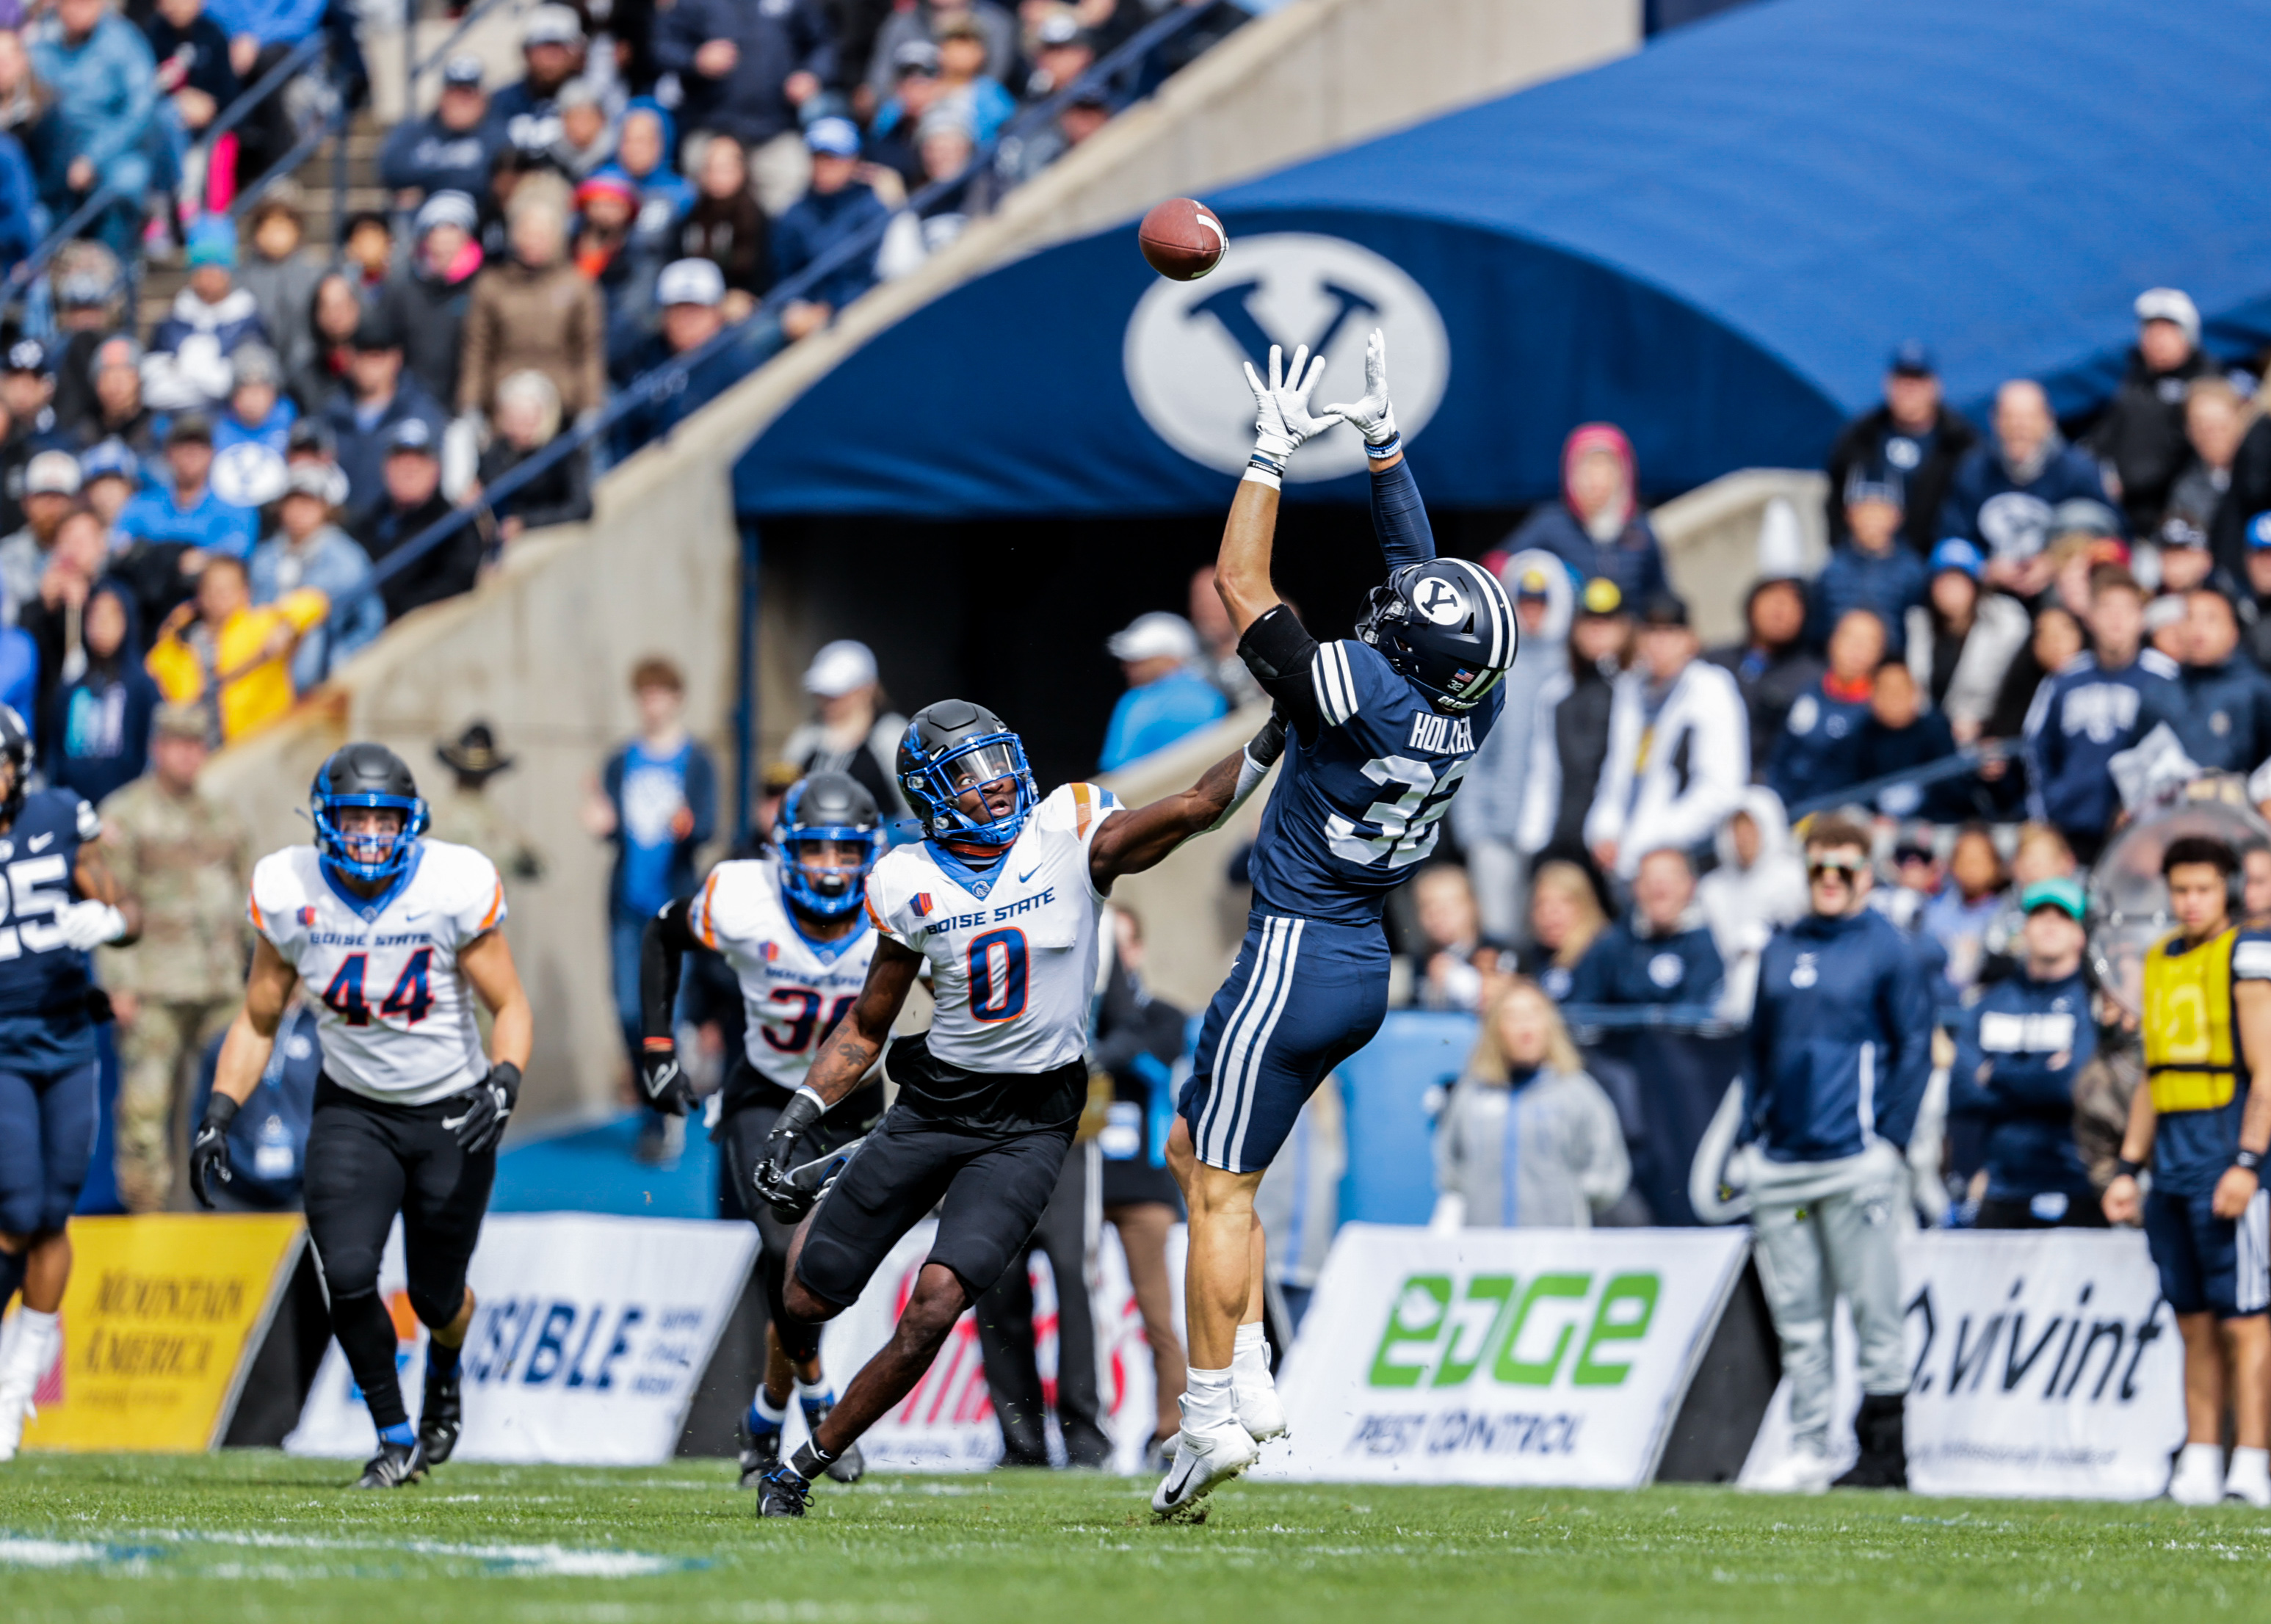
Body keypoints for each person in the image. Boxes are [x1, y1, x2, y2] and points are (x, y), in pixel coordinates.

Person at [743, 692, 1276, 1517]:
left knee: (936, 1303)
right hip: (933, 1106)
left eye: (999, 762)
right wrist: (797, 1117)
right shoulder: (906, 878)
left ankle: (802, 1466)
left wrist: (1273, 733)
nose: (995, 784)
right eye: (969, 772)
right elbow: (867, 1023)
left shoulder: (1068, 831)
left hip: (1032, 1122)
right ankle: (770, 1412)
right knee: (807, 1293)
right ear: (928, 792)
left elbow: (1200, 807)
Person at [1162, 330, 1513, 1516]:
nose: (1385, 610)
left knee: (1213, 1189)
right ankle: (1249, 1365)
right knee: (1214, 1166)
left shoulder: (1361, 690)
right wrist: (1382, 449)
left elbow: (1244, 594)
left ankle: (1208, 1407)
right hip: (1363, 955)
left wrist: (1266, 453)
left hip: (1295, 945)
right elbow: (1418, 577)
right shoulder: (1470, 701)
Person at [190, 744, 532, 1490]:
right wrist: (221, 1110)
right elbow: (257, 1017)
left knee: (437, 1297)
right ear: (324, 821)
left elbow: (509, 1005)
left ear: (411, 821)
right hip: (354, 1109)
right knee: (346, 1272)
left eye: (384, 817)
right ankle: (393, 1435)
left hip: (452, 1108)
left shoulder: (453, 882)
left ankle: (444, 1369)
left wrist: (503, 1082)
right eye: (355, 817)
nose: (371, 834)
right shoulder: (290, 889)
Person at [638, 772, 884, 1489]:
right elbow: (661, 932)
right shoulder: (743, 898)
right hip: (767, 1097)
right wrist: (658, 1047)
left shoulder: (899, 901)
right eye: (817, 852)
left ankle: (768, 1409)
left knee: (821, 1276)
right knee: (787, 1250)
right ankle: (817, 1395)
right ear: (786, 851)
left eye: (846, 853)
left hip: (854, 1105)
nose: (832, 869)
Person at [1738, 814, 1933, 1495]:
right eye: (1818, 868)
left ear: (1866, 874)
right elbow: (1756, 1050)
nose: (1829, 881)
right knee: (1798, 1318)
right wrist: (1749, 1132)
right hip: (1782, 1164)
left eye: (1843, 870)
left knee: (1873, 1310)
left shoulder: (1890, 950)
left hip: (1854, 1161)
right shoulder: (1778, 947)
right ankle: (1807, 1446)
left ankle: (1884, 1455)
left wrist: (1890, 1140)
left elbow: (1914, 1048)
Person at [2103, 835, 2271, 1507]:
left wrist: (2247, 1164)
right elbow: (2152, 1075)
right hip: (2169, 1161)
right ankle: (2198, 1458)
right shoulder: (2157, 960)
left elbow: (2266, 1071)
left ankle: (2250, 1463)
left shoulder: (2247, 956)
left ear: (2224, 890)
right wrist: (2126, 1166)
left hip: (2224, 1152)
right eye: (2179, 889)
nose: (2189, 901)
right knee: (2192, 1319)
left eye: (2201, 889)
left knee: (2246, 1320)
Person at [0, 703, 136, 1460]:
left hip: (66, 1037)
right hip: (1, 1045)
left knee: (54, 1213)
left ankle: (15, 1389)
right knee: (16, 1205)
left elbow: (122, 902)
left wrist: (111, 919)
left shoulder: (54, 814)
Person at [93, 701, 249, 1211]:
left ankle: (221, 1208)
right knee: (145, 1109)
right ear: (157, 748)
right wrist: (116, 982)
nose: (187, 756)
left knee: (226, 1105)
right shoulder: (123, 814)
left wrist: (263, 978)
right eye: (177, 745)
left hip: (219, 985)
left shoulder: (224, 814)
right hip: (153, 984)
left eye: (196, 745)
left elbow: (247, 899)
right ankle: (147, 1215)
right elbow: (108, 903)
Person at [584, 656, 717, 1163]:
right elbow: (617, 827)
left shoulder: (697, 759)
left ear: (676, 698)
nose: (652, 703)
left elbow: (706, 824)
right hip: (625, 903)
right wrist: (603, 823)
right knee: (626, 1008)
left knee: (666, 1010)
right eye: (644, 694)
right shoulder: (621, 760)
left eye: (660, 693)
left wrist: (690, 826)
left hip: (672, 906)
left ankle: (664, 1117)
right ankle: (651, 1106)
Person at [1090, 905, 1188, 1468]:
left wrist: (1099, 1052)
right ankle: (1078, 1430)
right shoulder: (1078, 1013)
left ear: (1138, 950)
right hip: (1081, 1177)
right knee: (1077, 1313)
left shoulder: (1164, 1016)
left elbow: (1152, 1062)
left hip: (1143, 1183)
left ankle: (1168, 1431)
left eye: (1122, 945)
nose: (1113, 958)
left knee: (1157, 1316)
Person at [1949, 875, 2101, 1230]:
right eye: (2039, 914)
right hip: (2000, 1185)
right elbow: (1963, 1090)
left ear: (2081, 933)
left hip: (2077, 1182)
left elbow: (2075, 1086)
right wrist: (2044, 1076)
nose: (2049, 923)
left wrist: (1998, 1073)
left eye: (2062, 915)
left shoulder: (2092, 1004)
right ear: (2023, 929)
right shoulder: (1989, 1003)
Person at [1431, 978, 1629, 1229]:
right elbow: (1451, 1170)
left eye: (1534, 1015)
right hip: (1485, 1252)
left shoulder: (1578, 1092)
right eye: (1512, 1017)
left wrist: (1570, 1201)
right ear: (1495, 1029)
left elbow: (1607, 1170)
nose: (1525, 1028)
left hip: (1555, 1253)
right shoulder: (1472, 1095)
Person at [1586, 592, 1748, 880]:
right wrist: (1604, 830)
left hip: (1685, 859)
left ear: (1690, 639)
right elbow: (1616, 773)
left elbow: (1720, 790)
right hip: (1624, 862)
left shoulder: (1711, 687)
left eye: (1670, 633)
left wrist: (1652, 839)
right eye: (1651, 632)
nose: (1659, 643)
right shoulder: (1630, 689)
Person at [2021, 565, 2181, 856]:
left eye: (2127, 609)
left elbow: (2181, 756)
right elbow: (2037, 747)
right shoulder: (2065, 678)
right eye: (2107, 609)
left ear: (2141, 618)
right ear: (2090, 617)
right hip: (2070, 830)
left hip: (2145, 832)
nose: (2116, 619)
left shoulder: (2166, 677)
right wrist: (2048, 812)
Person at [1455, 553, 1570, 943]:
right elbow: (1473, 751)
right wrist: (1473, 829)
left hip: (1556, 835)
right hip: (1497, 832)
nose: (1533, 613)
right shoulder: (1497, 669)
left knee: (1552, 937)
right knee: (1501, 936)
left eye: (1542, 603)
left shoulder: (1573, 667)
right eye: (1525, 603)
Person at [651, 0, 830, 217]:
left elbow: (823, 43)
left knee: (788, 209)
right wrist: (696, 59)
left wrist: (812, 74)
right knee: (700, 211)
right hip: (712, 127)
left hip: (775, 130)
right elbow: (662, 45)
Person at [1941, 380, 2117, 590]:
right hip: (1989, 588)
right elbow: (1951, 537)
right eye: (2010, 417)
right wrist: (1982, 568)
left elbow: (2114, 536)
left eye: (2028, 418)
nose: (2019, 427)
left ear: (2048, 420)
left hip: (2060, 590)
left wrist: (2057, 562)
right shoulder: (1975, 470)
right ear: (1995, 421)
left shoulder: (2079, 471)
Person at [457, 188, 607, 423]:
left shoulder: (579, 286)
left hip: (562, 403)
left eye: (541, 235)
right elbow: (478, 349)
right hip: (503, 402)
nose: (532, 242)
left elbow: (587, 352)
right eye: (527, 233)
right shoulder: (492, 285)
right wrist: (471, 403)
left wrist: (590, 406)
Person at [145, 552, 327, 744]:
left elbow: (315, 602)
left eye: (227, 590)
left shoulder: (260, 626)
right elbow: (153, 673)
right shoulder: (179, 636)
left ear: (245, 592)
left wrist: (288, 627)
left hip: (257, 744)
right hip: (199, 748)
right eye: (211, 589)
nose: (218, 597)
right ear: (199, 592)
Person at [27, 0, 157, 260]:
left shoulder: (123, 39)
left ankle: (111, 273)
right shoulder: (41, 43)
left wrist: (93, 159)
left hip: (113, 150)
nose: (77, 8)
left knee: (127, 182)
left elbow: (140, 109)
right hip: (53, 153)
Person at [1824, 341, 1977, 556]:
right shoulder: (1860, 436)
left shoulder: (1959, 443)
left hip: (1933, 564)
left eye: (1918, 380)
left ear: (1934, 386)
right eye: (1902, 380)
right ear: (1888, 384)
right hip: (1867, 561)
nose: (1909, 388)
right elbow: (1835, 500)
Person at [1518, 577, 1628, 862]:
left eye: (1608, 621)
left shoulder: (1637, 689)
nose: (1597, 629)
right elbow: (1543, 771)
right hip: (1562, 837)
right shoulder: (1556, 693)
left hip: (1617, 843)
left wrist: (1612, 829)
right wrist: (1534, 838)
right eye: (1589, 620)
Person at [2089, 289, 2213, 539]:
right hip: (2126, 513)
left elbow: (2188, 455)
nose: (2157, 339)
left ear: (2187, 335)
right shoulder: (2133, 384)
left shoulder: (2205, 384)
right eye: (2150, 330)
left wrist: (2131, 482)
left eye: (2166, 330)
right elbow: (2103, 438)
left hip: (2181, 513)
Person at [1499, 422, 1667, 606]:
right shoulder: (1550, 523)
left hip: (1628, 628)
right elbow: (1499, 564)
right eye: (1587, 471)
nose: (1597, 482)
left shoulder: (1641, 527)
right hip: (1571, 630)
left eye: (1607, 470)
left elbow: (1659, 591)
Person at [251, 460, 383, 687]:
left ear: (325, 507)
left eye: (309, 502)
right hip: (266, 668)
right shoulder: (264, 557)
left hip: (322, 674)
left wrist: (340, 661)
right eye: (293, 501)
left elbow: (370, 620)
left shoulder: (347, 557)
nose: (300, 511)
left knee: (313, 632)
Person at [322, 312, 448, 526]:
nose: (370, 364)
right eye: (362, 353)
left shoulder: (424, 414)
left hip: (400, 529)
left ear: (396, 359)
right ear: (350, 358)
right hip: (342, 529)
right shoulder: (330, 414)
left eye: (378, 354)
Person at [772, 118, 888, 344]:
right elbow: (785, 275)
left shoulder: (872, 208)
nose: (824, 166)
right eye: (818, 158)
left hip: (863, 312)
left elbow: (873, 273)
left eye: (833, 159)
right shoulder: (794, 214)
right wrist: (794, 309)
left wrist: (830, 308)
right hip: (805, 318)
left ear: (853, 161)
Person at [350, 418, 478, 623]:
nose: (409, 467)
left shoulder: (454, 523)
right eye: (400, 458)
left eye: (419, 458)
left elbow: (459, 580)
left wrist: (401, 609)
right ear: (386, 468)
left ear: (435, 469)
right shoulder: (369, 522)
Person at [1903, 538, 2029, 745]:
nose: (1950, 589)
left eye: (1959, 580)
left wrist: (1986, 725)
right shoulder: (1918, 623)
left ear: (1975, 586)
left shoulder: (2006, 623)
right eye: (1942, 580)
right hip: (1926, 736)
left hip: (1984, 736)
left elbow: (2016, 687)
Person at [1568, 847, 1723, 1009]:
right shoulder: (1613, 943)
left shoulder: (1710, 942)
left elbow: (1701, 1013)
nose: (1659, 887)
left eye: (1670, 878)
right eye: (1650, 878)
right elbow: (1584, 1006)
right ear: (1635, 887)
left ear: (1691, 886)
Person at [43, 579, 156, 805]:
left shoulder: (143, 686)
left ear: (128, 622)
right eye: (95, 615)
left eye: (112, 615)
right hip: (72, 808)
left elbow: (151, 751)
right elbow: (55, 754)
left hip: (128, 811)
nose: (102, 623)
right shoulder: (71, 686)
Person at [144, 218, 273, 414]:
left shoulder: (249, 323)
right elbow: (153, 389)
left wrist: (182, 369)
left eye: (217, 266)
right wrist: (208, 376)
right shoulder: (170, 323)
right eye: (202, 266)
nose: (209, 275)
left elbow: (236, 385)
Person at [1698, 787, 1806, 1020]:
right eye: (1737, 829)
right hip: (1722, 997)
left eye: (1751, 828)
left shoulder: (1794, 877)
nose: (1743, 838)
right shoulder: (1711, 889)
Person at [376, 190, 485, 413]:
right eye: (435, 230)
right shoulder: (403, 289)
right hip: (412, 404)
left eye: (452, 229)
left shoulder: (484, 286)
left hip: (467, 406)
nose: (443, 239)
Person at [780, 638, 909, 821]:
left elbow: (913, 809)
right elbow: (782, 797)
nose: (828, 701)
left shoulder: (892, 735)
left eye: (837, 693)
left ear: (867, 689)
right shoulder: (806, 738)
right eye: (823, 693)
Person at [1706, 575, 1821, 775]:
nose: (1779, 613)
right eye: (1771, 601)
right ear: (1751, 606)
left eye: (1790, 605)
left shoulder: (1813, 678)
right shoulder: (1713, 663)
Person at [1808, 471, 1927, 655]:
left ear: (1899, 516)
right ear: (1848, 515)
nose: (1872, 517)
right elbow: (1817, 627)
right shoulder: (1831, 567)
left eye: (1882, 509)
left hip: (1892, 664)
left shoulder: (1913, 570)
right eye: (1863, 508)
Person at [113, 412, 259, 559]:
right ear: (169, 454)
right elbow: (118, 542)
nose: (191, 452)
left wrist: (204, 558)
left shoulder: (234, 507)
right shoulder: (142, 504)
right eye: (183, 444)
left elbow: (239, 548)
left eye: (200, 445)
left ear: (212, 454)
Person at [473, 368, 591, 543]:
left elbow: (582, 507)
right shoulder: (494, 455)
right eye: (514, 419)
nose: (520, 427)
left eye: (527, 418)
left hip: (555, 540)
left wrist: (527, 522)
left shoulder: (564, 450)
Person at [1098, 610, 1226, 772]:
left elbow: (1116, 767)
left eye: (1140, 660)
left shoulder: (1136, 702)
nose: (1127, 667)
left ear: (1170, 659)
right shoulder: (1214, 695)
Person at [379, 54, 502, 210]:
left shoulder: (497, 134)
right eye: (454, 91)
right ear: (441, 96)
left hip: (478, 216)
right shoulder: (415, 130)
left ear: (483, 98)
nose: (460, 100)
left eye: (468, 93)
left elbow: (487, 181)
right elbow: (392, 169)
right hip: (422, 218)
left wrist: (426, 189)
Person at [425, 721, 543, 880]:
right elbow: (537, 867)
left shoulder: (429, 814)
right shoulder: (502, 825)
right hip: (487, 902)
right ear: (489, 776)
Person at [2176, 587, 2271, 775]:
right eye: (2189, 617)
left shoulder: (2257, 691)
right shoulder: (2161, 687)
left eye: (2210, 619)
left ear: (2233, 629)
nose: (2197, 629)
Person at [1921, 823, 2007, 994]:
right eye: (1964, 858)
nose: (1971, 866)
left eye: (1980, 858)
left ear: (1997, 865)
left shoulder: (2007, 914)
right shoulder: (1931, 911)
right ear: (1951, 865)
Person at [490, 4, 583, 156]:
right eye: (543, 47)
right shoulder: (500, 101)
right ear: (526, 52)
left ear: (575, 54)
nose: (551, 58)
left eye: (559, 48)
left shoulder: (592, 100)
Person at [1516, 858, 1608, 1004]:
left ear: (1585, 905)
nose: (1550, 912)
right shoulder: (1530, 959)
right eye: (1541, 903)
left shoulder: (1608, 955)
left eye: (1564, 902)